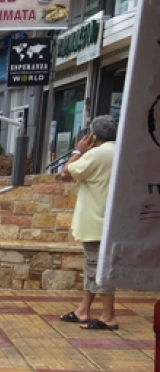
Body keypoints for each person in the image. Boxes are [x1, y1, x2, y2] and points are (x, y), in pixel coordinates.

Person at [59, 115, 118, 330]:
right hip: (114, 221)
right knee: (94, 267)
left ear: (93, 136)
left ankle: (108, 316)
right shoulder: (123, 152)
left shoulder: (96, 155)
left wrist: (78, 151)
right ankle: (83, 310)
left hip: (96, 221)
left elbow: (66, 173)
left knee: (98, 269)